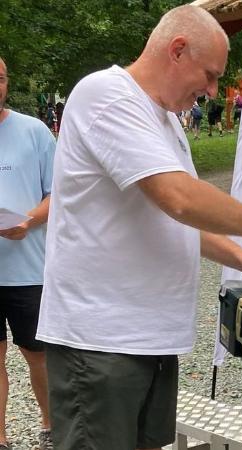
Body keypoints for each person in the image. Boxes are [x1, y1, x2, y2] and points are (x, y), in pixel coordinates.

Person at [35, 6, 242, 450]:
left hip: (148, 340)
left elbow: (173, 217)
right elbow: (178, 198)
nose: (213, 90)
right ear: (177, 50)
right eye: (211, 74)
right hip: (101, 342)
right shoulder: (106, 95)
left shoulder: (163, 119)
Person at [0, 56, 55, 450]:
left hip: (29, 269)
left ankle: (52, 427)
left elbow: (61, 194)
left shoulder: (34, 131)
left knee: (38, 355)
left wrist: (29, 221)